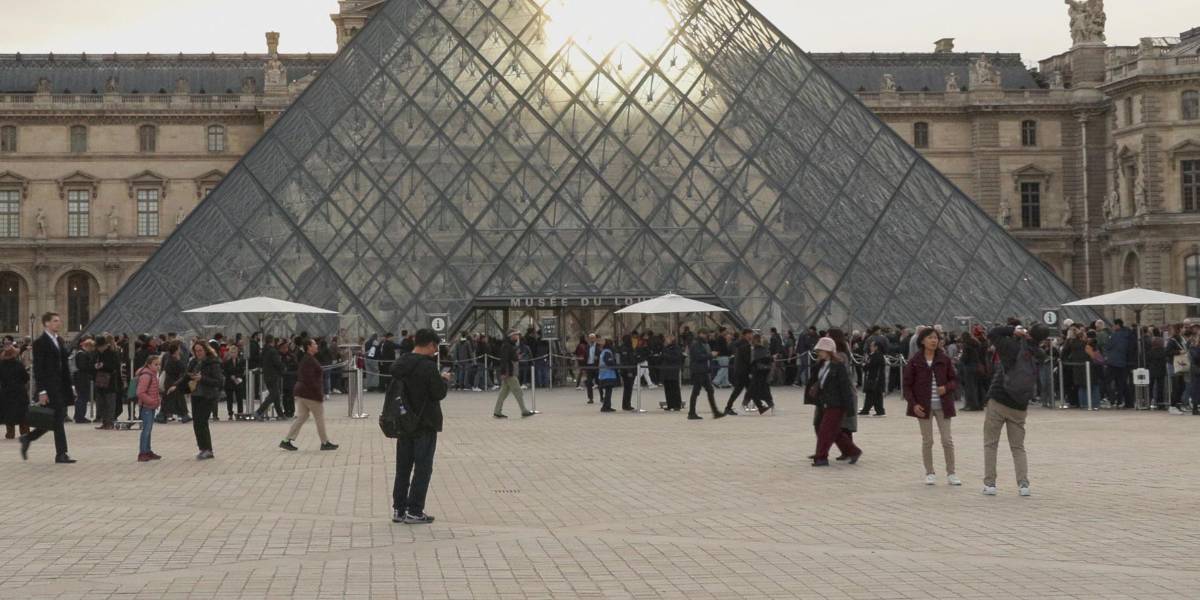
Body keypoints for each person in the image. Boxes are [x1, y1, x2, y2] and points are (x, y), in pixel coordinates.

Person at [390, 329, 450, 525]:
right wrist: (444, 380)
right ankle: (415, 510)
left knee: (403, 467)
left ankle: (399, 509)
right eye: (435, 347)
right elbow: (438, 393)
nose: (435, 351)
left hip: (404, 421)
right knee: (423, 468)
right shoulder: (428, 367)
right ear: (431, 345)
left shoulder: (401, 363)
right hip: (425, 423)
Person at [982, 322, 1049, 497]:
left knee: (991, 444)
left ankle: (990, 484)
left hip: (999, 399)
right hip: (1020, 405)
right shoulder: (1040, 354)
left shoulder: (1010, 346)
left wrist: (1013, 331)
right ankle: (1023, 484)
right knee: (1018, 447)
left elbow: (992, 333)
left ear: (1027, 333)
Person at [903, 328, 961, 486]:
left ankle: (951, 473)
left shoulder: (944, 359)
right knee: (927, 441)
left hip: (943, 406)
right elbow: (907, 386)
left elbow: (954, 380)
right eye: (930, 338)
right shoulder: (915, 361)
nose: (934, 341)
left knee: (947, 440)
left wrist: (946, 388)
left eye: (936, 338)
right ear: (922, 341)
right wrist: (913, 404)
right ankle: (930, 472)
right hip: (923, 407)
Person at [20, 312, 76, 463]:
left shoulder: (59, 340)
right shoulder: (40, 342)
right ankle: (61, 454)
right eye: (55, 321)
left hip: (61, 386)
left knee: (55, 419)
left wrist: (70, 385)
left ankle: (28, 438)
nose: (59, 323)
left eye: (59, 320)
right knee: (58, 419)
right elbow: (39, 368)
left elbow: (64, 366)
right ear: (46, 323)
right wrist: (42, 391)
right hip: (50, 386)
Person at [280, 338, 339, 452]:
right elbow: (310, 379)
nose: (316, 346)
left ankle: (286, 440)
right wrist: (318, 394)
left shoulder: (307, 359)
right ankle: (325, 442)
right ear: (309, 347)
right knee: (319, 418)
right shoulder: (309, 360)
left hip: (302, 392)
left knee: (302, 416)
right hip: (310, 393)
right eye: (314, 344)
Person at [811, 337, 862, 466]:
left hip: (837, 404)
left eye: (821, 350)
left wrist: (849, 408)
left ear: (829, 350)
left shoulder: (838, 366)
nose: (819, 352)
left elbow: (845, 387)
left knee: (825, 431)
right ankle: (853, 451)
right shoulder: (821, 365)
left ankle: (821, 457)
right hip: (825, 403)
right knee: (835, 432)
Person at [189, 341, 223, 460]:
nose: (198, 353)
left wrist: (202, 378)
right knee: (196, 423)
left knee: (202, 422)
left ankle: (208, 449)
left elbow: (218, 381)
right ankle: (202, 448)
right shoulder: (193, 362)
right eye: (196, 351)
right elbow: (186, 376)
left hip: (207, 396)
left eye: (200, 350)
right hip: (195, 395)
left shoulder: (213, 363)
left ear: (205, 350)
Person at [494, 331, 534, 419]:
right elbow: (504, 360)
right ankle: (524, 410)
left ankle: (497, 411)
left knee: (503, 393)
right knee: (518, 391)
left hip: (509, 372)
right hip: (510, 373)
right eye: (516, 335)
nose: (517, 337)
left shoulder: (509, 345)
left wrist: (517, 357)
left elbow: (511, 358)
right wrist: (504, 372)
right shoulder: (507, 346)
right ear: (511, 336)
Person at [686, 331, 723, 420]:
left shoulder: (703, 344)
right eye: (705, 333)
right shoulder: (695, 344)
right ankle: (692, 413)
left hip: (703, 371)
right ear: (700, 334)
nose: (707, 335)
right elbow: (698, 357)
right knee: (696, 391)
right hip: (698, 371)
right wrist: (711, 355)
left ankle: (715, 412)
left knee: (709, 390)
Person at [135, 354, 163, 462]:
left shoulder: (152, 375)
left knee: (149, 429)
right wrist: (151, 401)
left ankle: (147, 450)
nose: (158, 367)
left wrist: (157, 401)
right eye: (156, 364)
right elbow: (140, 392)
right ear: (149, 364)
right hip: (146, 406)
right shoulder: (146, 375)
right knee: (146, 430)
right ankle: (142, 452)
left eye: (159, 365)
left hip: (151, 406)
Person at [91, 336, 123, 430]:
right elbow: (91, 363)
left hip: (110, 381)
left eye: (100, 346)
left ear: (105, 345)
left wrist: (103, 365)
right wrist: (95, 366)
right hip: (99, 381)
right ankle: (104, 422)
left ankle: (110, 422)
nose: (99, 348)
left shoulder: (112, 353)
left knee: (110, 403)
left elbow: (115, 366)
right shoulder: (97, 353)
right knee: (101, 403)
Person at [1, 345, 30, 439]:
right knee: (22, 413)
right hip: (19, 391)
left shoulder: (1, 365)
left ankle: (10, 433)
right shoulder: (19, 365)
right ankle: (25, 432)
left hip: (6, 392)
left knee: (8, 412)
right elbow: (26, 378)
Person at [159, 341, 191, 423]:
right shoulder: (178, 357)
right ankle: (184, 415)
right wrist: (178, 360)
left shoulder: (166, 355)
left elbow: (163, 368)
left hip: (168, 380)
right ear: (177, 349)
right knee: (179, 398)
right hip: (176, 380)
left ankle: (163, 415)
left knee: (167, 398)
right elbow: (183, 368)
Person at [724, 329, 753, 416]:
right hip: (743, 371)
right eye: (749, 334)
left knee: (750, 389)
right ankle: (729, 408)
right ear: (744, 335)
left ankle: (758, 405)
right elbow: (747, 359)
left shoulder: (741, 343)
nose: (751, 336)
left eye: (751, 334)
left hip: (740, 370)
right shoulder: (745, 345)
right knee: (740, 390)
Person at [256, 335, 285, 419]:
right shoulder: (273, 351)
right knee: (274, 394)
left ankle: (280, 414)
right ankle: (259, 412)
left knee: (276, 395)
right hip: (273, 375)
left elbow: (260, 361)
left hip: (267, 375)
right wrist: (283, 367)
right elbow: (277, 363)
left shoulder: (264, 350)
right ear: (272, 341)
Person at [746, 334, 775, 414]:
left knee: (753, 390)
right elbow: (771, 361)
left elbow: (752, 362)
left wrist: (749, 371)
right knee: (763, 389)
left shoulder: (755, 350)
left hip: (757, 372)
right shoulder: (765, 349)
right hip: (764, 372)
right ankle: (767, 405)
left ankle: (745, 405)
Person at [859, 340, 886, 416]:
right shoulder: (874, 355)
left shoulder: (877, 355)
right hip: (874, 378)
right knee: (876, 395)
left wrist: (865, 365)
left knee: (872, 394)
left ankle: (867, 410)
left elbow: (870, 365)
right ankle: (879, 410)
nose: (870, 347)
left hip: (875, 378)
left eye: (871, 346)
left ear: (876, 347)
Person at [71, 338, 94, 423]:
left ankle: (78, 415)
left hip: (80, 377)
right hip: (82, 378)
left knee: (81, 397)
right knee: (82, 397)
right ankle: (80, 416)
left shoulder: (80, 353)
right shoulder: (82, 354)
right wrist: (91, 366)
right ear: (87, 346)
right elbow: (82, 366)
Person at [658, 335, 684, 411]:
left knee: (675, 388)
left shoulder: (676, 348)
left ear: (672, 340)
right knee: (667, 389)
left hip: (673, 371)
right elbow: (662, 357)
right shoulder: (665, 348)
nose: (666, 340)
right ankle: (670, 404)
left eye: (667, 339)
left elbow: (676, 358)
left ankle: (677, 405)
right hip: (666, 371)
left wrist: (666, 355)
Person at [223, 345, 246, 419]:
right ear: (230, 353)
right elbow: (224, 371)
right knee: (229, 399)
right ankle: (230, 413)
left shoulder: (241, 361)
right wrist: (230, 376)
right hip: (229, 382)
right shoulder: (226, 362)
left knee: (239, 398)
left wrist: (237, 376)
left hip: (238, 381)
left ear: (237, 352)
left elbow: (242, 371)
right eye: (232, 352)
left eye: (235, 352)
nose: (233, 354)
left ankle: (240, 413)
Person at [596, 339, 619, 412]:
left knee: (608, 392)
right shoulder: (607, 352)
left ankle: (607, 406)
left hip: (603, 375)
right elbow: (609, 362)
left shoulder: (603, 352)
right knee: (608, 392)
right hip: (608, 375)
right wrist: (616, 366)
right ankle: (605, 407)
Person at [582, 333, 600, 404]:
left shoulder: (598, 346)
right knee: (589, 383)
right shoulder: (587, 347)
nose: (592, 339)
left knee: (598, 382)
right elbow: (585, 356)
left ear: (595, 338)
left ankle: (602, 397)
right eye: (590, 338)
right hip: (589, 365)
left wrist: (597, 358)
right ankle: (590, 398)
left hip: (596, 365)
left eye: (593, 338)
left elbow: (600, 354)